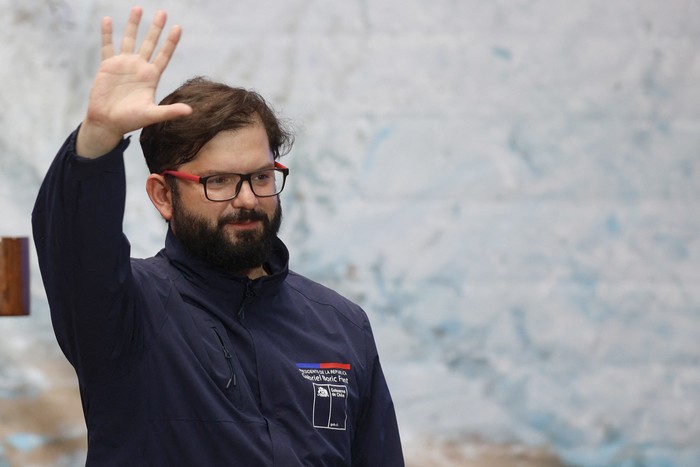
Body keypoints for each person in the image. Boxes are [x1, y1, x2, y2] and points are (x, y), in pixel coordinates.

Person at [32, 7, 404, 466]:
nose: (246, 199)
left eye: (261, 176)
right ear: (162, 196)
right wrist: (99, 138)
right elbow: (75, 246)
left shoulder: (341, 325)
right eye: (219, 181)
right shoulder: (126, 313)